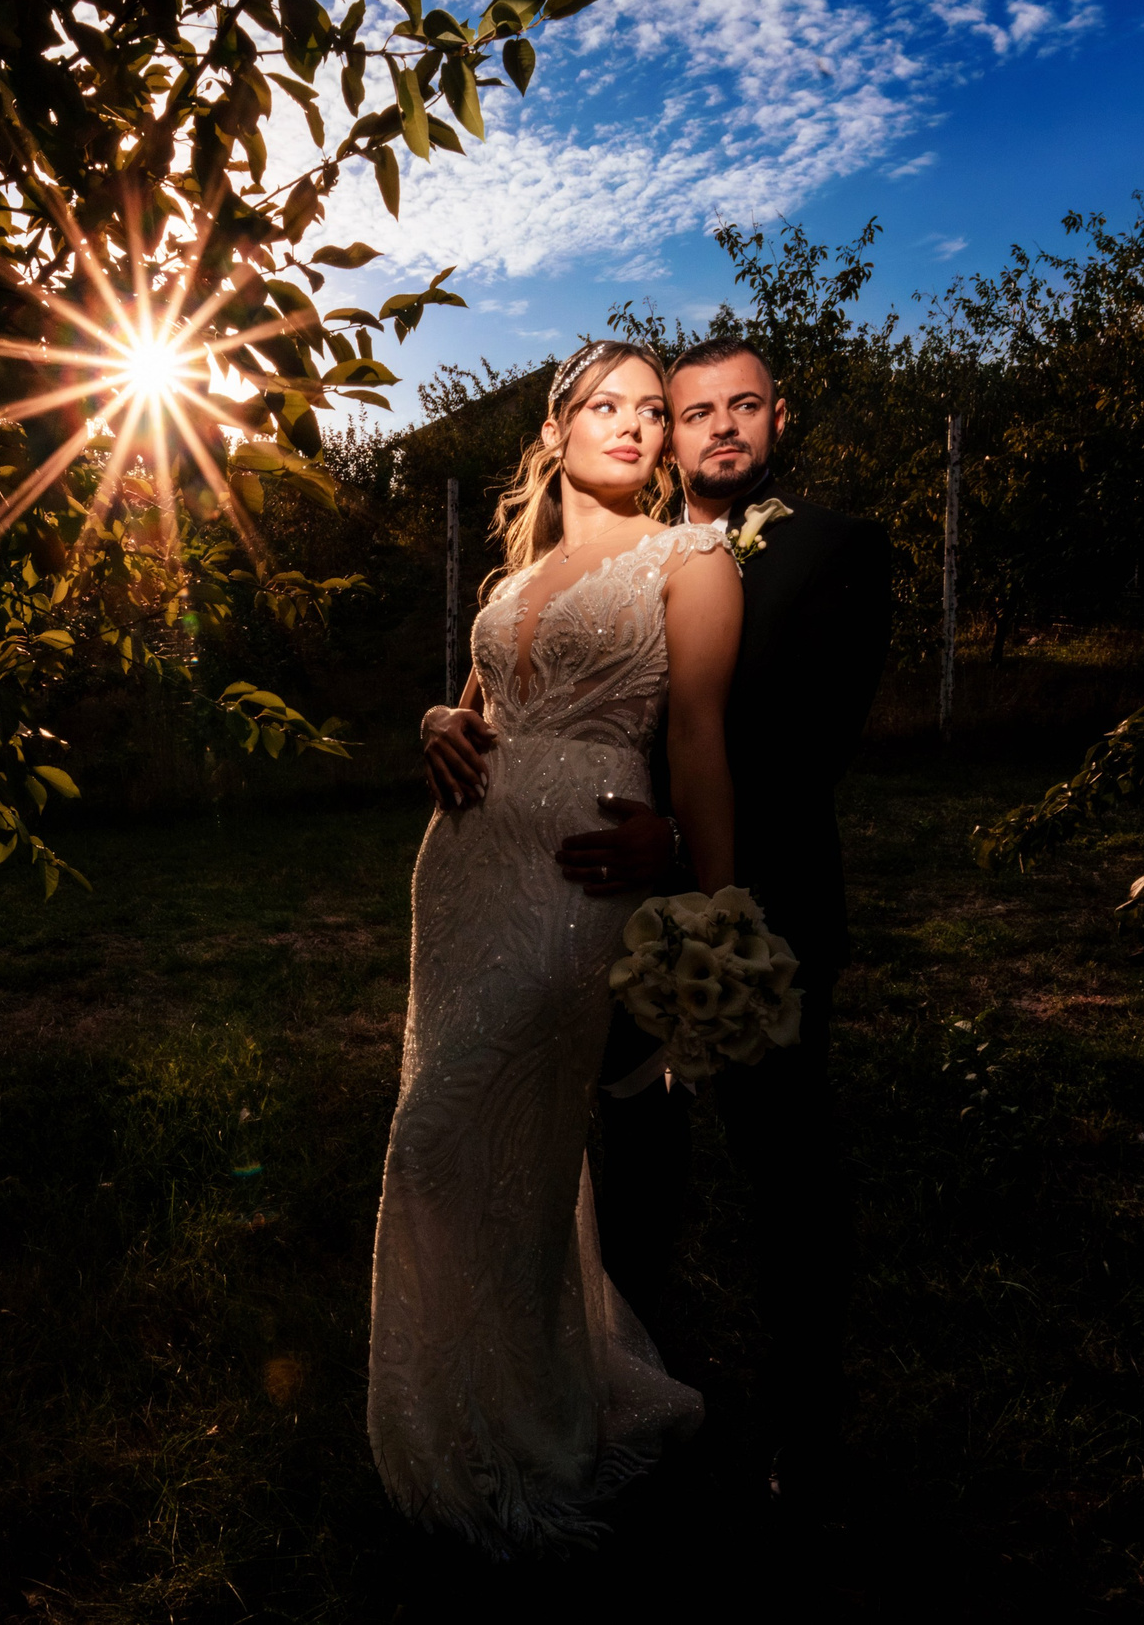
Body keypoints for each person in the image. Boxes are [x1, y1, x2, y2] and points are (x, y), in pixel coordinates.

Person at [435, 337, 894, 1509]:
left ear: (776, 421)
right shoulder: (603, 551)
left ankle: (809, 1423)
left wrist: (691, 863)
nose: (713, 429)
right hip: (584, 903)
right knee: (627, 1171)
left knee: (784, 1169)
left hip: (756, 910)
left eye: (741, 407)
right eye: (691, 412)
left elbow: (801, 756)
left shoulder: (831, 553)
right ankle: (621, 1378)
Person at [369, 339, 733, 1555]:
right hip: (462, 878)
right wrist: (434, 716)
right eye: (609, 406)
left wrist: (701, 891)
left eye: (651, 412)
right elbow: (477, 714)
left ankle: (538, 1431)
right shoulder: (515, 580)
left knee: (453, 1142)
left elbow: (697, 737)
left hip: (583, 881)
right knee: (463, 1154)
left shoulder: (690, 557)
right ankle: (485, 1407)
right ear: (558, 425)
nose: (634, 427)